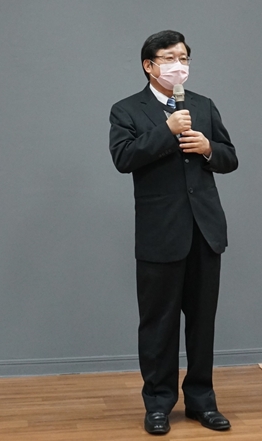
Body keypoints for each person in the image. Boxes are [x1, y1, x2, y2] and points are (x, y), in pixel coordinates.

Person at [109, 30, 238, 435]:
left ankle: (202, 401)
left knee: (202, 323)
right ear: (149, 65)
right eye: (169, 58)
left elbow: (230, 157)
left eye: (183, 57)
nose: (178, 65)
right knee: (158, 325)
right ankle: (159, 404)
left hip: (205, 230)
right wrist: (166, 130)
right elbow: (124, 158)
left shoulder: (203, 105)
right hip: (160, 234)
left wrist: (208, 148)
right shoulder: (126, 110)